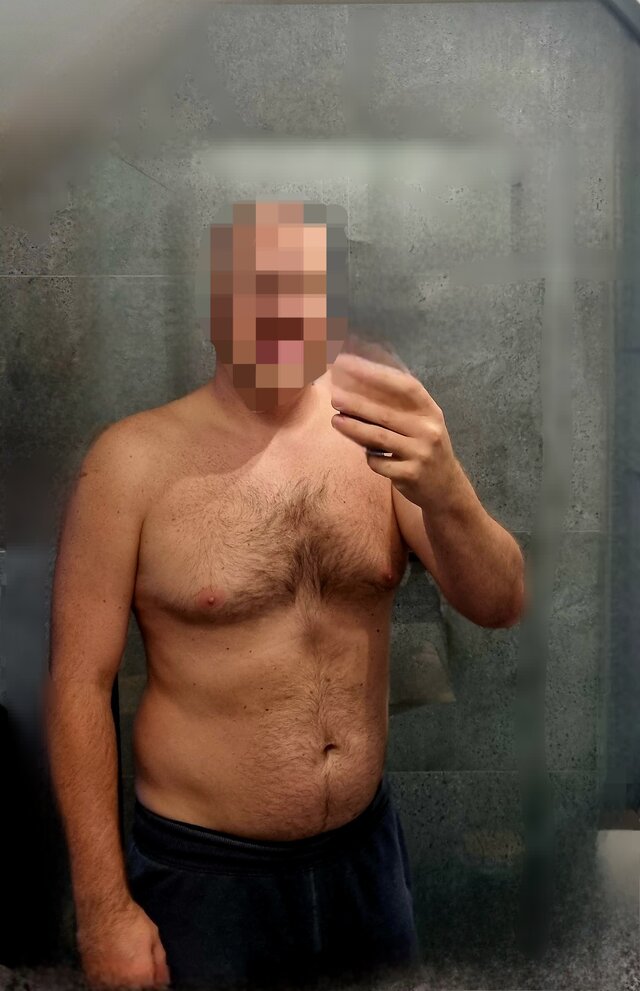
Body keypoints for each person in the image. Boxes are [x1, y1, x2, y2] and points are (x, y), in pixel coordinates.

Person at [46, 199, 525, 991]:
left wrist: (447, 487)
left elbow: (499, 602)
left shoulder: (378, 432)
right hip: (205, 877)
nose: (281, 314)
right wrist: (103, 908)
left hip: (364, 861)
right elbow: (77, 684)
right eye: (257, 289)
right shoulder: (130, 463)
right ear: (215, 309)